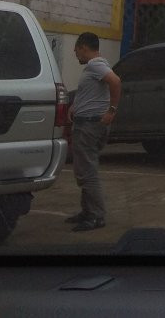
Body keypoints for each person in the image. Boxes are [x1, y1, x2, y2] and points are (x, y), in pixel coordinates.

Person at [66, 31, 121, 232]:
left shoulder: (95, 65)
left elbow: (115, 82)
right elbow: (92, 93)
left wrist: (112, 110)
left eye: (76, 50)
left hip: (89, 126)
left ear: (83, 47)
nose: (75, 55)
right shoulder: (98, 65)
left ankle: (96, 216)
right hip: (88, 123)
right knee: (85, 168)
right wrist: (75, 106)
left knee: (87, 172)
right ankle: (87, 211)